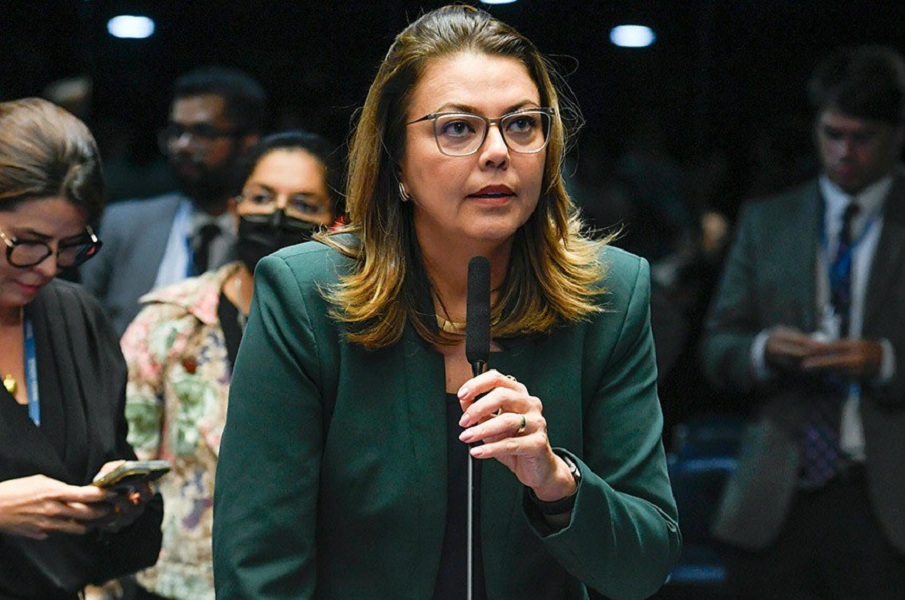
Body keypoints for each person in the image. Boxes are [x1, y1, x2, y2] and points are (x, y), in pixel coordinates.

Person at [212, 6, 680, 599]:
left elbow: (644, 565)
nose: (497, 152)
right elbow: (257, 567)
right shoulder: (304, 294)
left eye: (522, 124)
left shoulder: (610, 294)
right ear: (396, 160)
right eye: (458, 128)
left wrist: (558, 482)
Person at [700, 45, 905, 598]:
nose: (844, 152)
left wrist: (885, 361)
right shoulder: (769, 220)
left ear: (896, 136)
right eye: (832, 134)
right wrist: (763, 349)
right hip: (776, 490)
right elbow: (717, 346)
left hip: (884, 493)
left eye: (861, 138)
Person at [121, 131, 342, 600]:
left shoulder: (354, 332)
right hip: (172, 583)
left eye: (303, 204)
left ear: (336, 222)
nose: (277, 215)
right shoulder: (169, 320)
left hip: (302, 582)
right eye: (261, 197)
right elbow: (125, 461)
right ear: (235, 208)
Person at [0, 97, 163, 599]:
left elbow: (111, 456)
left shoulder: (76, 318)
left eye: (71, 245)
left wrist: (119, 506)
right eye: (28, 242)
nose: (49, 267)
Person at [80, 66, 267, 337]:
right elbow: (84, 326)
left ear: (249, 143)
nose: (183, 145)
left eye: (203, 132)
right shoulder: (123, 224)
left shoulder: (266, 235)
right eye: (176, 131)